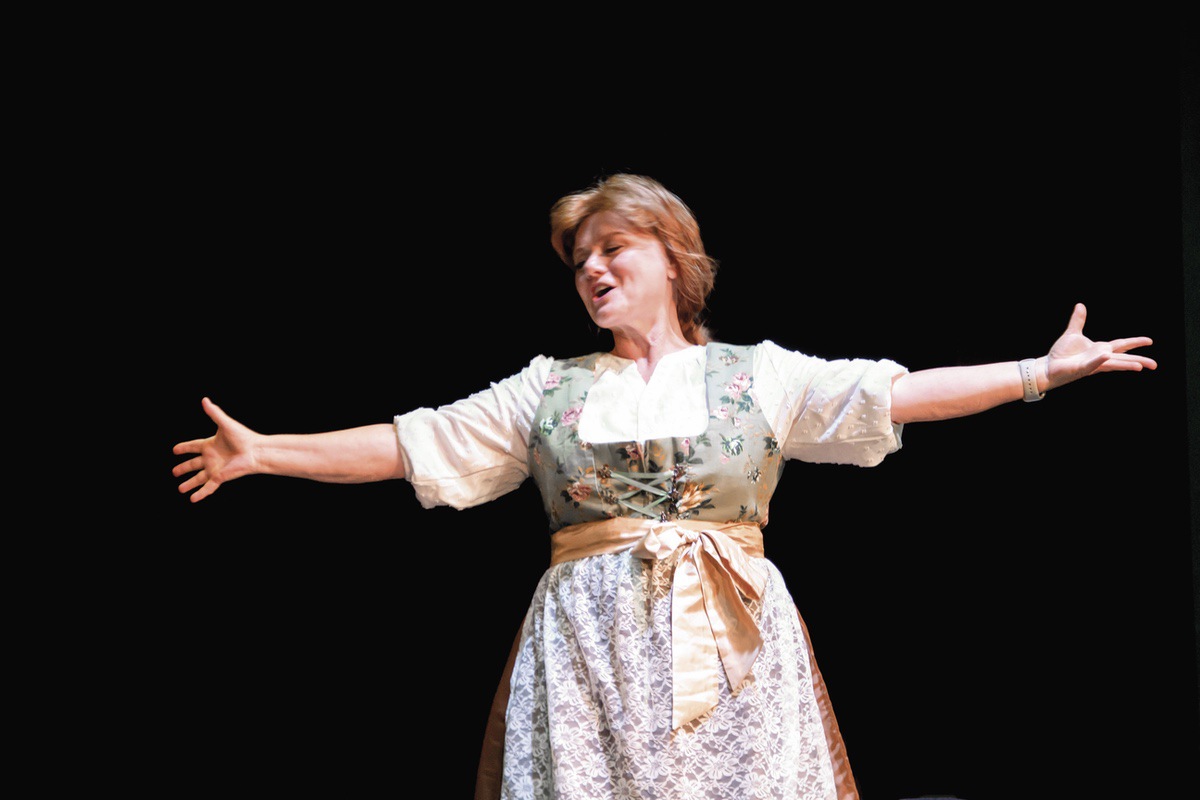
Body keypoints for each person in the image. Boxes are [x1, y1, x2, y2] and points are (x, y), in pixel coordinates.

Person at [172, 173, 1157, 800]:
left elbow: (897, 395)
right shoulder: (547, 388)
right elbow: (412, 443)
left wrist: (1036, 371)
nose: (591, 269)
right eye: (579, 259)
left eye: (612, 249)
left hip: (726, 639)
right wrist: (269, 451)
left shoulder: (756, 373)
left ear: (672, 259)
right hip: (586, 641)